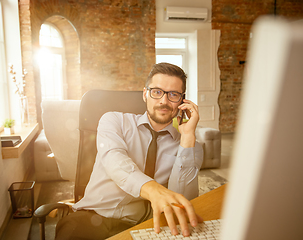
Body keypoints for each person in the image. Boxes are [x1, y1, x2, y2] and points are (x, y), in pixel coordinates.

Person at [55, 62, 204, 240]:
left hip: (148, 225)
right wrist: (154, 190)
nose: (164, 101)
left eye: (173, 95)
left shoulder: (190, 146)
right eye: (157, 92)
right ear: (145, 94)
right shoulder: (114, 121)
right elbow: (115, 162)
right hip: (94, 216)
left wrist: (187, 138)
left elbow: (182, 203)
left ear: (182, 100)